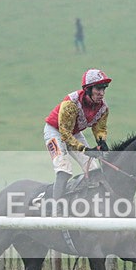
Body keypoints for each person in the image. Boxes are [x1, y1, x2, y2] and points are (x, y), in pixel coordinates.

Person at [43, 69, 111, 203]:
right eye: (98, 89)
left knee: (94, 170)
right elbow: (65, 134)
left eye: (104, 89)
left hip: (74, 133)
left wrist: (101, 140)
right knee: (64, 170)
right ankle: (55, 208)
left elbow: (99, 128)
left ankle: (86, 203)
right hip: (55, 131)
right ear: (88, 89)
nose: (102, 93)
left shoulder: (103, 108)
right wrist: (85, 149)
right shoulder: (70, 104)